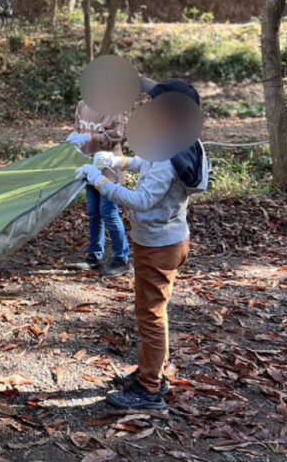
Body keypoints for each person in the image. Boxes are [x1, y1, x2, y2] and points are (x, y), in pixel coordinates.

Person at [78, 78, 210, 411]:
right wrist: (119, 163)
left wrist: (100, 182)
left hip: (158, 245)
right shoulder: (178, 141)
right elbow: (146, 163)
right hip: (170, 238)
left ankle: (150, 389)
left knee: (151, 316)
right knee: (151, 312)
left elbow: (142, 200)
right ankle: (149, 373)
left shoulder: (169, 154)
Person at [65, 99, 130, 277]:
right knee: (94, 213)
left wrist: (91, 137)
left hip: (109, 169)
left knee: (109, 212)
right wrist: (74, 139)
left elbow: (115, 137)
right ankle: (94, 256)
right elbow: (78, 129)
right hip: (89, 167)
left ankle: (122, 259)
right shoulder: (82, 105)